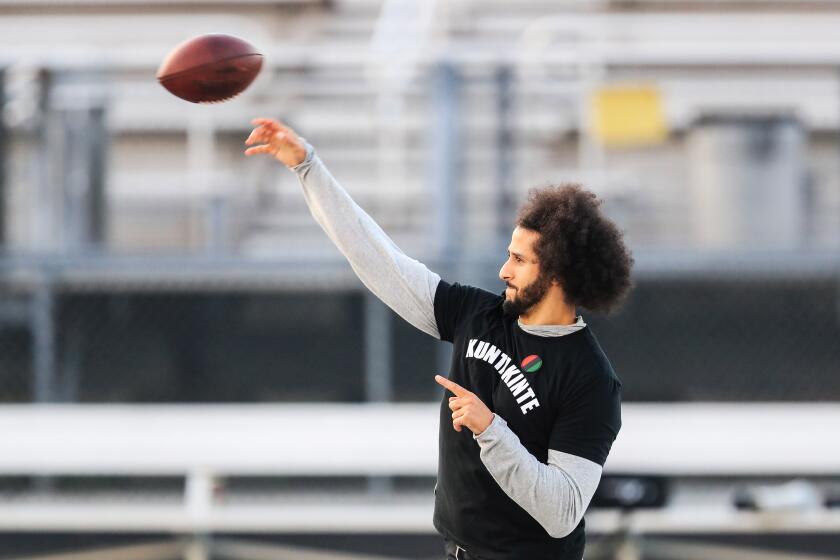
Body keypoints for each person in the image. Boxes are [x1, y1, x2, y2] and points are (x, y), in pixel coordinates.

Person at [245, 117, 633, 560]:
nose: (504, 271)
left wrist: (491, 429)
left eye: (519, 261)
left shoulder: (591, 379)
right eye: (509, 255)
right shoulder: (477, 314)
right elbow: (379, 259)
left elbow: (562, 511)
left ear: (559, 275)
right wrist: (308, 167)